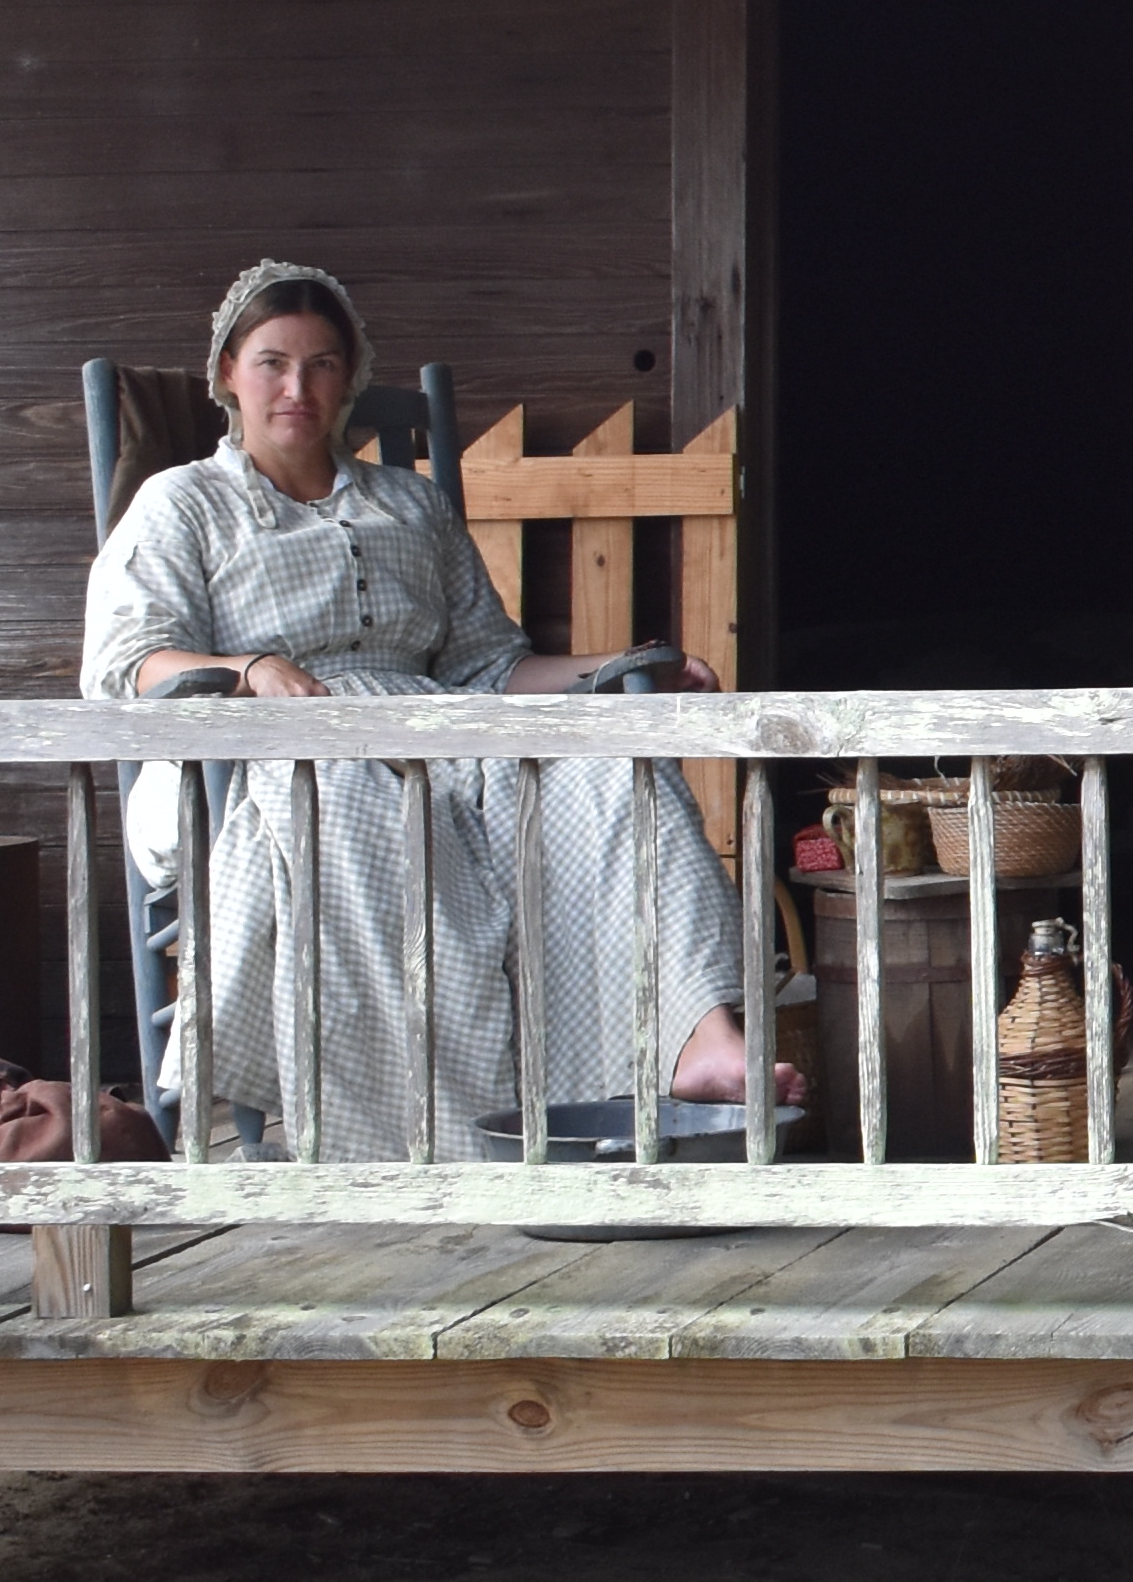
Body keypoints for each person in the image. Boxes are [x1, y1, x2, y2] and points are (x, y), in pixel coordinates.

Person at [80, 260, 783, 1155]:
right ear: (228, 371)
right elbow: (128, 664)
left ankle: (690, 1039)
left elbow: (492, 665)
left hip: (439, 724)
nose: (298, 387)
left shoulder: (410, 504)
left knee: (613, 767)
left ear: (350, 375)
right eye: (272, 363)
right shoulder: (184, 503)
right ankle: (432, 1139)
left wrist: (619, 665)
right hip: (261, 741)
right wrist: (250, 667)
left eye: (323, 364)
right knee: (360, 812)